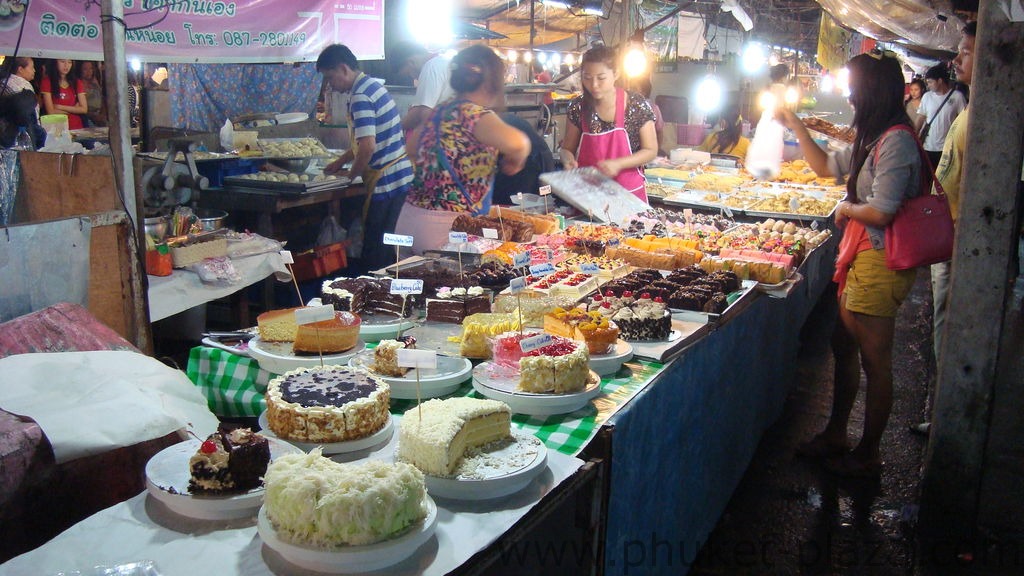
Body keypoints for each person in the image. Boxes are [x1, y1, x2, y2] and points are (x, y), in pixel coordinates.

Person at [778, 49, 927, 478]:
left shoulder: (896, 139)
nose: (849, 97)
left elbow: (882, 210)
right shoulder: (871, 136)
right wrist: (797, 126)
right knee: (843, 346)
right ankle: (838, 433)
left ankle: (870, 452)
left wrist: (847, 208)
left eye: (853, 89)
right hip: (859, 257)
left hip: (882, 258)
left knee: (875, 360)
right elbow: (825, 164)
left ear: (872, 92)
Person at [394, 45, 531, 254]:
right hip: (447, 229)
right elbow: (520, 143)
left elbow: (411, 148)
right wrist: (513, 163)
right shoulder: (476, 115)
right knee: (451, 287)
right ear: (493, 82)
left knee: (406, 282)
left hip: (408, 219)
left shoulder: (440, 111)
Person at [914, 22, 977, 436]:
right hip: (948, 240)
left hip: (960, 242)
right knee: (942, 322)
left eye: (966, 51)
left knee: (950, 326)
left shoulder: (984, 119)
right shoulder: (972, 111)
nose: (957, 60)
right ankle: (944, 411)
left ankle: (950, 418)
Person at [317, 44, 414, 273]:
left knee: (377, 251)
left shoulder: (360, 96)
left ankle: (376, 298)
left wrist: (349, 177)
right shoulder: (372, 86)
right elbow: (366, 139)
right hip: (401, 180)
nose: (330, 85)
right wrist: (341, 162)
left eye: (330, 78)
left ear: (343, 68)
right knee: (392, 246)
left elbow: (368, 147)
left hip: (386, 184)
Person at [559, 45, 658, 202]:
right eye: (587, 77)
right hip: (589, 195)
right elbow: (566, 149)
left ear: (616, 74)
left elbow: (651, 150)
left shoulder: (635, 104)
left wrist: (618, 164)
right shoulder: (577, 107)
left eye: (601, 78)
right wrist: (568, 160)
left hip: (629, 196)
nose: (594, 85)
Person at [392, 42, 454, 145]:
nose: (414, 77)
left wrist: (393, 129)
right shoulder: (444, 62)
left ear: (411, 62)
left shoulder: (431, 66)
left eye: (408, 73)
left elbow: (420, 114)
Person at [492, 112, 556, 206]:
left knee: (515, 212)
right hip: (539, 159)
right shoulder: (492, 117)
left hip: (528, 162)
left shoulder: (480, 119)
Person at [914, 62, 966, 170]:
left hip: (947, 149)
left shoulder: (957, 97)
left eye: (930, 82)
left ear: (940, 81)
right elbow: (920, 118)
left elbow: (963, 121)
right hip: (927, 146)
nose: (928, 85)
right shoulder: (927, 97)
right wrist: (914, 135)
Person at [0, 57, 43, 148]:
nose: (34, 71)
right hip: (21, 137)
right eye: (31, 67)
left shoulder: (3, 82)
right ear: (20, 69)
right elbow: (33, 115)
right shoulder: (24, 86)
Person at [40, 59, 88, 130]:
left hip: (76, 127)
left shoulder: (77, 82)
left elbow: (84, 109)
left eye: (69, 62)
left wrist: (59, 107)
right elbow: (51, 112)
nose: (66, 65)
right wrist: (74, 109)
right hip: (56, 128)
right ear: (55, 62)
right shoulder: (47, 82)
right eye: (62, 61)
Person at [78, 61, 105, 127]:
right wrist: (93, 116)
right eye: (85, 69)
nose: (89, 71)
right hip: (88, 118)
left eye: (91, 68)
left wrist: (102, 114)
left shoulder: (95, 83)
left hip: (101, 116)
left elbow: (102, 100)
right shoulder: (79, 85)